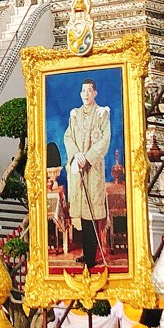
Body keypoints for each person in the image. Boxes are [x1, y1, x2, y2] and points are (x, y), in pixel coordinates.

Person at [62, 79, 115, 268]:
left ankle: (92, 255)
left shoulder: (102, 113)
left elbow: (105, 140)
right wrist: (77, 155)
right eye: (83, 91)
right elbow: (68, 136)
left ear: (95, 93)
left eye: (89, 91)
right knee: (83, 214)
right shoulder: (74, 115)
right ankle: (87, 253)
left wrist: (88, 157)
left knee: (92, 212)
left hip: (93, 169)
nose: (86, 94)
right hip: (78, 167)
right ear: (80, 94)